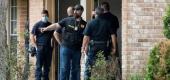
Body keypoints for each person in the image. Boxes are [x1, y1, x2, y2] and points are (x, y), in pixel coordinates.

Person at [41, 5, 86, 80]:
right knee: (64, 68)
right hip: (66, 48)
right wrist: (46, 29)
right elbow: (56, 26)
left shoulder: (84, 24)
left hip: (77, 50)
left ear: (81, 11)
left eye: (77, 10)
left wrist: (84, 47)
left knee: (76, 69)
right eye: (74, 10)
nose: (75, 11)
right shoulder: (67, 20)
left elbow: (86, 37)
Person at [81, 7, 116, 80]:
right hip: (105, 46)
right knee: (105, 65)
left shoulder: (90, 22)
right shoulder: (108, 22)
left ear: (95, 13)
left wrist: (83, 47)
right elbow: (113, 36)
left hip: (93, 46)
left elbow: (86, 37)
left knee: (89, 66)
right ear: (103, 13)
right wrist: (114, 47)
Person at [30, 10, 53, 80]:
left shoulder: (51, 25)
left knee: (47, 67)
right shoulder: (37, 25)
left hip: (48, 48)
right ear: (41, 16)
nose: (44, 17)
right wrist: (36, 47)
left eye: (45, 16)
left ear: (48, 16)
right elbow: (32, 36)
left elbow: (53, 36)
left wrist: (52, 45)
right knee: (39, 67)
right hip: (40, 48)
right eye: (43, 16)